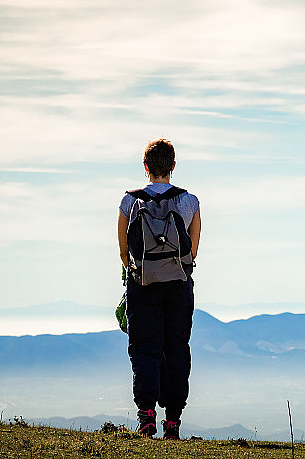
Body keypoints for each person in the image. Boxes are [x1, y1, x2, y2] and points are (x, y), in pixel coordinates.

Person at [117, 138, 201, 440]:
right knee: (176, 349)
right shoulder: (189, 202)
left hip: (143, 285)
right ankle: (173, 422)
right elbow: (193, 249)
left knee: (145, 350)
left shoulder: (130, 201)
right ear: (173, 167)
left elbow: (124, 253)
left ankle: (146, 417)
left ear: (146, 167)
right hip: (178, 286)